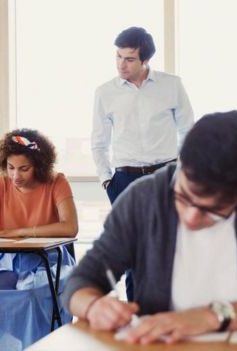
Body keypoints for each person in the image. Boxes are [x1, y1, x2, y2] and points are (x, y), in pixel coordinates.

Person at [65, 111, 237, 344]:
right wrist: (93, 306)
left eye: (212, 209)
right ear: (182, 163)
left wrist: (211, 316)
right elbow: (81, 282)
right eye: (184, 197)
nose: (191, 217)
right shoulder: (144, 198)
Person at [91, 26, 194, 300]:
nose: (121, 64)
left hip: (167, 175)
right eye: (118, 57)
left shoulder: (171, 85)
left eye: (129, 59)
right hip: (124, 180)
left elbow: (189, 132)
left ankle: (174, 317)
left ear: (145, 60)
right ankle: (138, 318)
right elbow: (99, 142)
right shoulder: (105, 92)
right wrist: (107, 180)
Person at [0, 129, 78, 348]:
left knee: (31, 295)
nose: (16, 176)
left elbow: (70, 228)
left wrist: (18, 232)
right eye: (10, 168)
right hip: (7, 259)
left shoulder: (57, 182)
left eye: (24, 169)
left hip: (51, 259)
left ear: (39, 165)